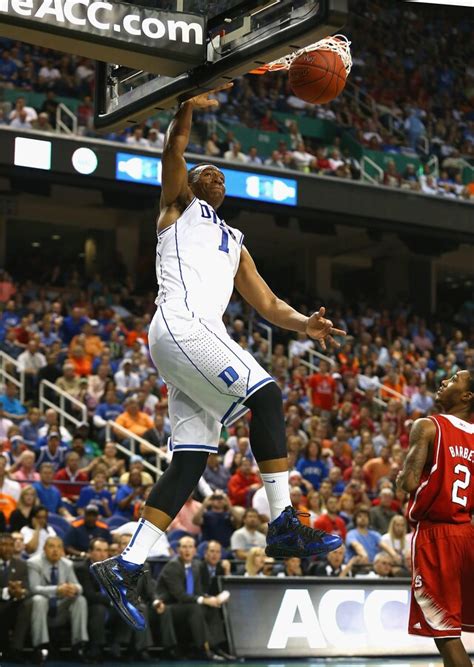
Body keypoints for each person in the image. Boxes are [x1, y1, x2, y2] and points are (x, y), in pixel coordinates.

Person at [91, 84, 344, 630]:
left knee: (189, 461)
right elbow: (174, 153)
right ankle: (283, 522)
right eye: (208, 172)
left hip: (187, 345)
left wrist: (306, 324)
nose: (215, 176)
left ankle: (126, 566)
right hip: (184, 329)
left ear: (225, 194)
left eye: (222, 177)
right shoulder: (176, 208)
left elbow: (270, 304)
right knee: (268, 395)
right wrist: (184, 108)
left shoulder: (234, 239)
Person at [397, 370, 474, 667]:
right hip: (467, 533)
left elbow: (407, 483)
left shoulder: (428, 426)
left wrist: (401, 476)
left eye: (454, 380)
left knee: (446, 635)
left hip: (436, 537)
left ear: (467, 396)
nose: (443, 382)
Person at [156, 536, 224, 661]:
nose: (187, 550)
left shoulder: (195, 566)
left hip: (186, 605)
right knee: (195, 608)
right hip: (169, 606)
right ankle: (203, 649)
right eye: (184, 547)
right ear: (178, 550)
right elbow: (180, 595)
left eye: (190, 547)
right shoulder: (173, 566)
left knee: (211, 607)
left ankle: (218, 647)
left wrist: (211, 599)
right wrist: (203, 600)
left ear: (195, 550)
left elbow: (197, 592)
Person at [28, 536, 88, 662]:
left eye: (59, 547)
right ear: (44, 549)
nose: (55, 550)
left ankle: (78, 645)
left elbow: (79, 587)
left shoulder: (67, 564)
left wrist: (73, 588)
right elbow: (33, 588)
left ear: (62, 550)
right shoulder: (33, 563)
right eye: (51, 546)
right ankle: (40, 647)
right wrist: (57, 589)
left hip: (60, 609)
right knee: (39, 599)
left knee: (80, 599)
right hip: (40, 609)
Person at [74, 537, 130, 662]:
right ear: (90, 552)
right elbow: (89, 594)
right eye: (98, 550)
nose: (102, 554)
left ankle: (117, 645)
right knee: (99, 610)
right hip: (90, 606)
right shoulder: (83, 568)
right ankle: (96, 648)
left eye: (105, 550)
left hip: (109, 604)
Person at [0, 532, 31, 662]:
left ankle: (16, 649)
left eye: (11, 545)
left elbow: (27, 589)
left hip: (14, 605)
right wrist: (7, 591)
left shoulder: (21, 565)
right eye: (3, 545)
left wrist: (20, 592)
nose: (8, 548)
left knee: (28, 604)